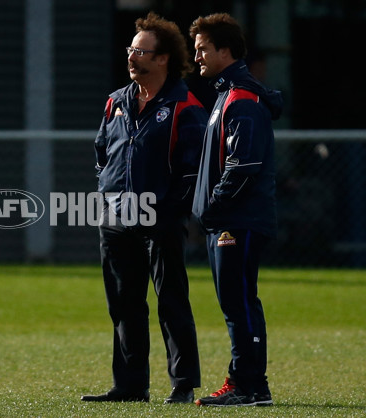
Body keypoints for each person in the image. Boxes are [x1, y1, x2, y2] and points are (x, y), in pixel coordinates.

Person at [81, 12, 207, 404]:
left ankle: (182, 384)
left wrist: (169, 211)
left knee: (171, 302)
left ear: (163, 58)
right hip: (115, 218)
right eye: (130, 49)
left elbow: (193, 169)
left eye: (141, 52)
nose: (132, 57)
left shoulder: (185, 106)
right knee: (123, 303)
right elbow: (102, 152)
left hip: (160, 219)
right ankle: (130, 386)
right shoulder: (116, 101)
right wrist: (107, 193)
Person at [189, 13, 282, 407]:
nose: (198, 58)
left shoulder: (242, 99)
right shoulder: (227, 94)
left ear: (225, 51)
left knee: (239, 301)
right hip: (229, 220)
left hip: (236, 221)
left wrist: (213, 208)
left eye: (203, 49)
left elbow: (243, 166)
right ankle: (247, 383)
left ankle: (248, 386)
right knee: (237, 301)